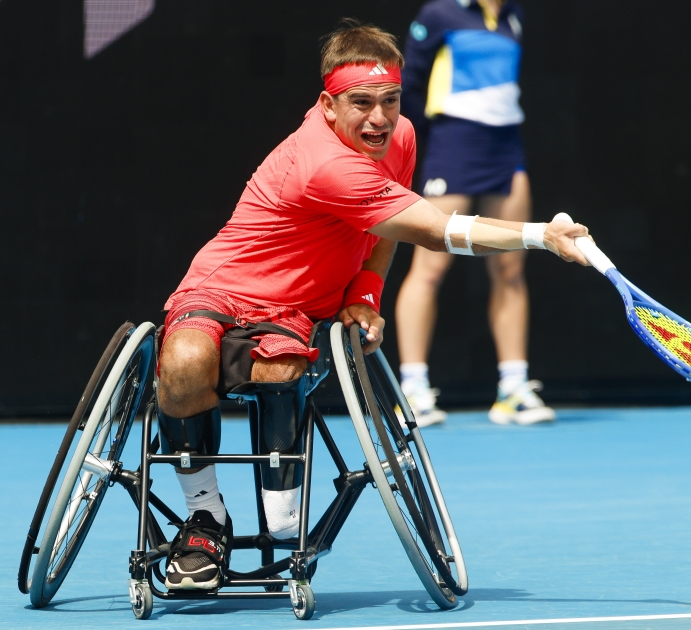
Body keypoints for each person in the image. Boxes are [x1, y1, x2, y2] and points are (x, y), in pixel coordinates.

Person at [155, 19, 591, 591]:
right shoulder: (325, 162)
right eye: (361, 103)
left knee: (283, 445)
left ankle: (278, 512)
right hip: (221, 288)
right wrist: (538, 236)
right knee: (186, 363)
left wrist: (364, 293)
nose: (379, 118)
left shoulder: (400, 138)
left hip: (298, 310)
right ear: (328, 105)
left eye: (390, 100)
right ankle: (205, 518)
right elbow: (435, 231)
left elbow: (390, 230)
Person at [394, 0, 553, 426]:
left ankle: (513, 388)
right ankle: (412, 388)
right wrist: (438, 136)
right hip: (453, 143)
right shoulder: (439, 14)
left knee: (511, 270)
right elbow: (409, 83)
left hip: (506, 146)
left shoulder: (513, 15)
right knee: (429, 269)